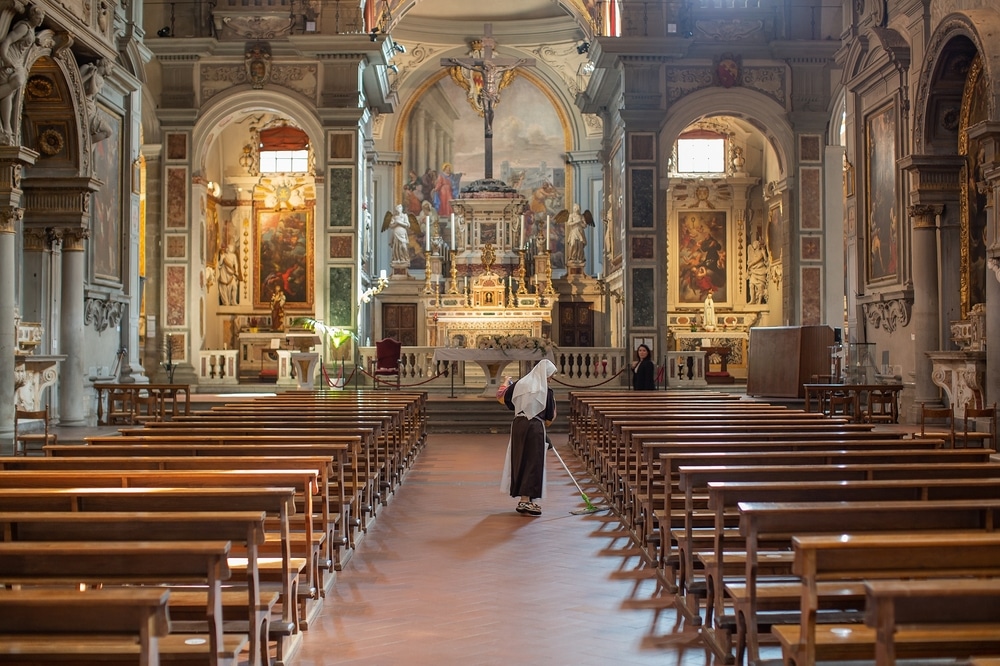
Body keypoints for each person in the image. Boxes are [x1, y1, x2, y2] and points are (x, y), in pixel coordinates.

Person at [498, 359, 557, 516]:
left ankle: (527, 500)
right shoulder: (547, 392)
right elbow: (550, 419)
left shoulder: (520, 385)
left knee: (520, 459)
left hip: (518, 425)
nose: (551, 379)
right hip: (534, 428)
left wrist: (505, 382)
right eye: (550, 375)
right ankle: (525, 500)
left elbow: (502, 398)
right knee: (533, 462)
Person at [0, 5, 44, 141]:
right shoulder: (24, 27)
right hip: (9, 60)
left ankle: (6, 128)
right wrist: (5, 59)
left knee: (8, 94)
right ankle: (6, 128)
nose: (40, 21)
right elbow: (7, 41)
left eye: (42, 19)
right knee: (17, 82)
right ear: (32, 17)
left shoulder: (31, 29)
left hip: (17, 62)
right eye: (38, 18)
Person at [747, 235, 768, 304]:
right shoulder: (753, 253)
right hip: (754, 271)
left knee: (760, 286)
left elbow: (764, 259)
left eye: (755, 245)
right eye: (754, 245)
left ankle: (759, 301)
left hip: (761, 271)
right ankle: (752, 299)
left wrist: (764, 252)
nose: (754, 246)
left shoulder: (761, 252)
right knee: (751, 285)